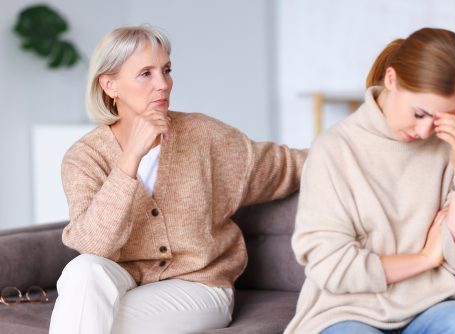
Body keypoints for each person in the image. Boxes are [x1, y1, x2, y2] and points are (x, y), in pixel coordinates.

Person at [48, 25, 306, 334]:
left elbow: (287, 165)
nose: (163, 84)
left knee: (90, 319)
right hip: (122, 281)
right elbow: (93, 245)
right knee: (83, 271)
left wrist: (364, 149)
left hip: (198, 286)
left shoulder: (205, 137)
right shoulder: (84, 157)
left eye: (166, 70)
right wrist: (130, 158)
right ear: (110, 85)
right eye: (146, 73)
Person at [284, 28, 455, 334]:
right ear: (391, 79)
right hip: (348, 311)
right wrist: (425, 258)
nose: (426, 132)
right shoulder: (334, 150)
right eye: (420, 113)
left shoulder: (446, 150)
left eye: (442, 117)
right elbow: (333, 266)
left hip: (435, 304)